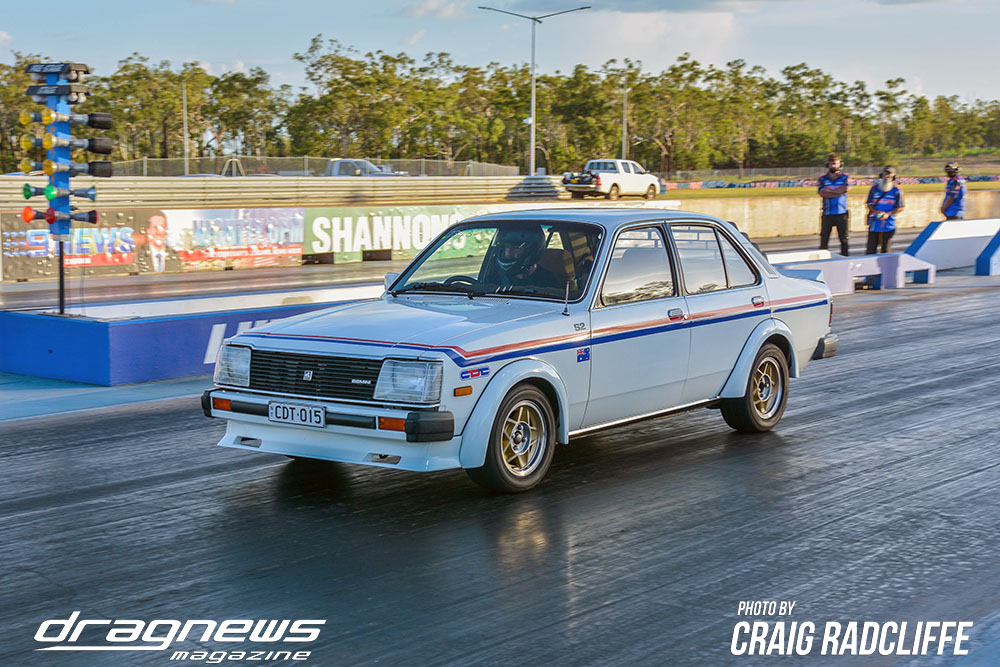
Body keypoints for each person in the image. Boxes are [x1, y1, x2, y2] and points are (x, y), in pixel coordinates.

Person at [493, 225, 561, 291]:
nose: (508, 254)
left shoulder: (548, 281)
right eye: (507, 246)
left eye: (516, 247)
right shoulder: (494, 279)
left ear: (532, 249)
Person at [865, 166, 905, 254]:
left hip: (888, 224)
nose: (887, 176)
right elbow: (869, 204)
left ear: (893, 176)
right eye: (885, 173)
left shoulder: (896, 190)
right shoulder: (874, 188)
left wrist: (888, 214)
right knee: (871, 249)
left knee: (885, 250)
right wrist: (876, 212)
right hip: (874, 223)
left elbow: (900, 207)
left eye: (889, 174)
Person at [817, 153, 850, 256]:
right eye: (831, 163)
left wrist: (830, 192)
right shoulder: (822, 179)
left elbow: (846, 189)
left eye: (835, 163)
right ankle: (822, 259)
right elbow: (822, 193)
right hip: (827, 213)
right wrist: (838, 193)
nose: (833, 166)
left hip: (841, 212)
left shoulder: (845, 177)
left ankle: (845, 258)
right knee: (824, 239)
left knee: (844, 239)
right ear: (828, 165)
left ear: (840, 164)